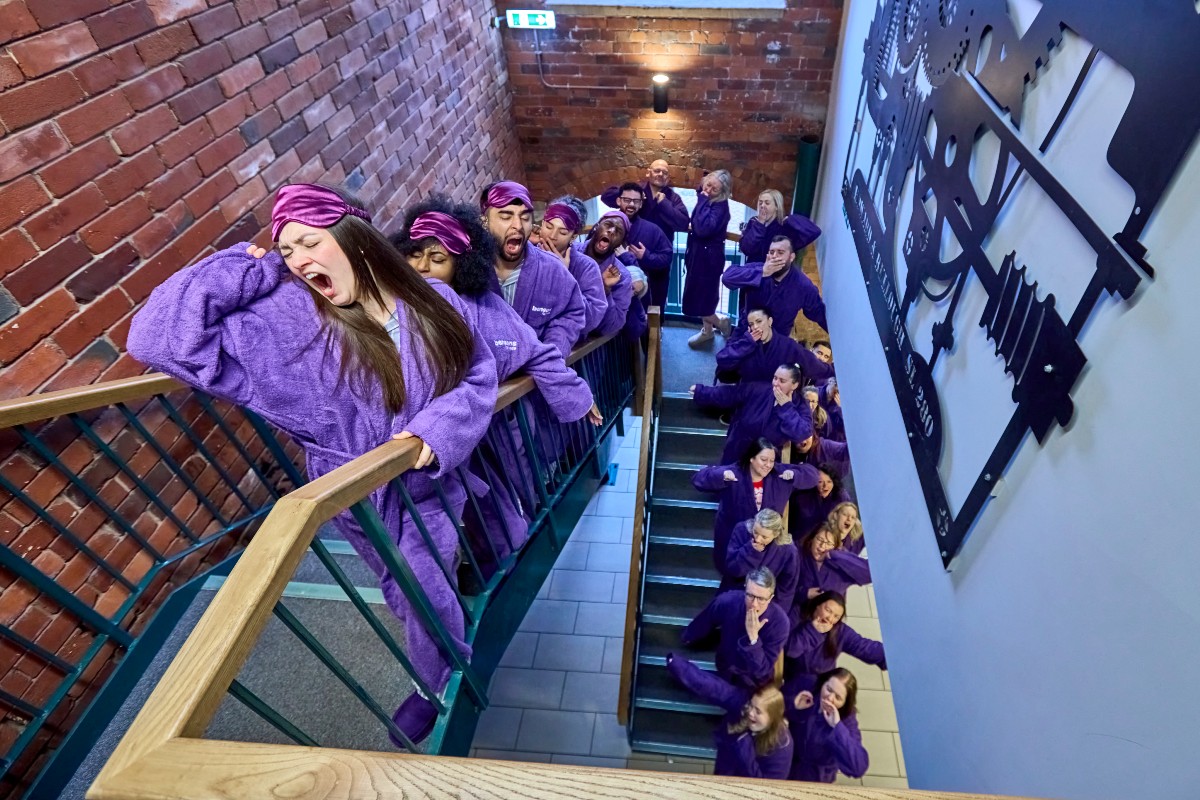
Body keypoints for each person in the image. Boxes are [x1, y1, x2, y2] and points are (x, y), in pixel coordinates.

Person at [127, 183, 497, 745]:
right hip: (354, 493)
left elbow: (478, 374)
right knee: (400, 588)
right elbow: (155, 340)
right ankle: (442, 652)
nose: (298, 259)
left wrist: (439, 428)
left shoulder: (432, 299)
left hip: (430, 490)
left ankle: (436, 677)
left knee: (425, 589)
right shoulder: (284, 320)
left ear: (355, 237)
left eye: (309, 241)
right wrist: (238, 267)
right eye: (287, 250)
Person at [391, 197, 602, 559]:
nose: (422, 268)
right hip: (409, 449)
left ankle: (482, 569)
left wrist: (578, 396)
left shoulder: (483, 307)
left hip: (476, 440)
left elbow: (533, 348)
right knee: (426, 541)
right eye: (414, 255)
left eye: (437, 259)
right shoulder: (385, 304)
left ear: (461, 265)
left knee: (503, 524)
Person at [480, 180, 586, 358]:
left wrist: (551, 354)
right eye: (506, 216)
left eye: (525, 217)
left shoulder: (553, 270)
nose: (518, 226)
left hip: (536, 381)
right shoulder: (465, 271)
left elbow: (571, 314)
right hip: (490, 383)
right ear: (485, 221)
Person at [692, 437, 817, 572]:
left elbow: (813, 475)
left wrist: (795, 474)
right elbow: (698, 479)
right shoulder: (735, 472)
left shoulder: (780, 474)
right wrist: (720, 476)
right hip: (736, 543)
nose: (768, 465)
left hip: (767, 547)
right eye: (763, 460)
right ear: (751, 458)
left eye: (772, 461)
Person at [666, 654, 793, 779]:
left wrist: (744, 745)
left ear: (773, 717)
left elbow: (765, 786)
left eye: (758, 711)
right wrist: (678, 665)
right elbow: (716, 689)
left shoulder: (782, 746)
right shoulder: (745, 706)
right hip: (724, 771)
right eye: (751, 705)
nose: (750, 712)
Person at [680, 568, 789, 690]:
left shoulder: (780, 623)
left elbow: (761, 670)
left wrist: (753, 639)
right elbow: (706, 618)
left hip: (754, 683)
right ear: (745, 589)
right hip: (726, 667)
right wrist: (688, 636)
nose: (754, 604)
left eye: (761, 599)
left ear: (770, 598)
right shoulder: (728, 602)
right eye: (750, 595)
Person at [691, 363, 814, 464]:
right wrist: (702, 392)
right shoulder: (759, 389)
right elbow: (731, 394)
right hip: (737, 449)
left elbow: (802, 433)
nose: (776, 383)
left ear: (794, 385)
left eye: (782, 381)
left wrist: (786, 408)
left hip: (764, 459)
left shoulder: (801, 405)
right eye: (775, 378)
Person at [723, 232, 826, 337]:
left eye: (780, 252)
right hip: (745, 336)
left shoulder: (803, 285)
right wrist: (762, 273)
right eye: (772, 252)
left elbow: (818, 313)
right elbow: (727, 278)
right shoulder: (757, 269)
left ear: (791, 257)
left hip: (774, 344)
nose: (775, 256)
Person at [537, 195, 609, 338]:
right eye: (548, 226)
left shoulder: (587, 267)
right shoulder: (524, 255)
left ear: (574, 236)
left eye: (563, 232)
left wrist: (563, 274)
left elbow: (592, 319)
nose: (552, 235)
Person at [784, 591, 884, 692]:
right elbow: (790, 650)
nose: (830, 618)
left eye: (836, 616)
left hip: (821, 688)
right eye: (828, 610)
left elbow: (865, 648)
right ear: (818, 605)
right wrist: (813, 631)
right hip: (789, 681)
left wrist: (893, 656)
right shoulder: (798, 614)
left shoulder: (840, 631)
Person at [786, 667, 870, 783]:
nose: (829, 698)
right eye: (829, 689)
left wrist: (837, 727)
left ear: (845, 703)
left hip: (816, 780)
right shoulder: (808, 684)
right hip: (787, 765)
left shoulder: (847, 720)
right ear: (823, 682)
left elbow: (858, 768)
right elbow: (774, 703)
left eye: (838, 697)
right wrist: (793, 704)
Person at [715, 308, 836, 384]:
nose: (755, 327)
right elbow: (722, 359)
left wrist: (837, 370)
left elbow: (812, 365)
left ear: (769, 322)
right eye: (752, 324)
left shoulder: (788, 346)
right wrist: (747, 343)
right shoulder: (744, 337)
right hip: (742, 383)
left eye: (759, 322)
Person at [682, 169, 733, 348]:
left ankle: (721, 325)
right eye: (708, 184)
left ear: (723, 192)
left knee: (702, 299)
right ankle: (708, 332)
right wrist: (705, 185)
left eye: (715, 189)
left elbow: (703, 229)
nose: (709, 190)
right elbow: (702, 188)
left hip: (708, 260)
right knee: (702, 297)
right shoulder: (707, 196)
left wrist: (702, 198)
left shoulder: (720, 206)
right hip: (700, 255)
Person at [606, 182, 674, 308]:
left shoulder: (652, 230)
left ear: (641, 203)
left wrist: (645, 256)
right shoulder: (604, 227)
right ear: (618, 201)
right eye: (627, 200)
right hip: (610, 291)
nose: (631, 204)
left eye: (636, 201)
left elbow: (667, 256)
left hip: (642, 293)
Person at [722, 509, 800, 616]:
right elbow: (733, 568)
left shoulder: (788, 551)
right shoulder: (742, 530)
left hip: (766, 605)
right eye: (755, 532)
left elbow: (786, 590)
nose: (758, 539)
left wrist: (773, 614)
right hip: (736, 596)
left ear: (776, 534)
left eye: (764, 537)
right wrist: (751, 551)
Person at [601, 158, 691, 240]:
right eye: (657, 171)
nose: (661, 174)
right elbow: (606, 197)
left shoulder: (673, 197)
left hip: (660, 248)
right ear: (648, 173)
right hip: (632, 244)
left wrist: (664, 203)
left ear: (668, 177)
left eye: (665, 173)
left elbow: (683, 223)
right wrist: (634, 195)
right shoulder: (636, 190)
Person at [579, 210, 636, 338]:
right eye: (608, 224)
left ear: (621, 242)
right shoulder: (569, 253)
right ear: (596, 227)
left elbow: (612, 326)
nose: (611, 231)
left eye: (618, 231)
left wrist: (604, 289)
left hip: (588, 346)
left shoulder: (622, 277)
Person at [794, 522, 871, 611]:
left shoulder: (840, 565)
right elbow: (784, 590)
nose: (822, 546)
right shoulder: (798, 555)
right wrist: (806, 593)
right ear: (812, 539)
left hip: (830, 619)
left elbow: (870, 573)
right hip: (798, 615)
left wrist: (837, 555)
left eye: (829, 543)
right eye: (820, 539)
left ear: (836, 547)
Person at [790, 463, 852, 539]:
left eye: (829, 482)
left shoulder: (842, 497)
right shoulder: (801, 495)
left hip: (827, 542)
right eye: (820, 482)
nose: (825, 486)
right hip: (799, 540)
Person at [738, 189, 787, 264]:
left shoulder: (782, 226)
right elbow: (746, 248)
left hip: (772, 270)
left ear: (776, 206)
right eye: (760, 203)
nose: (762, 206)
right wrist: (759, 224)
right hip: (752, 269)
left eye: (767, 203)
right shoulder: (753, 221)